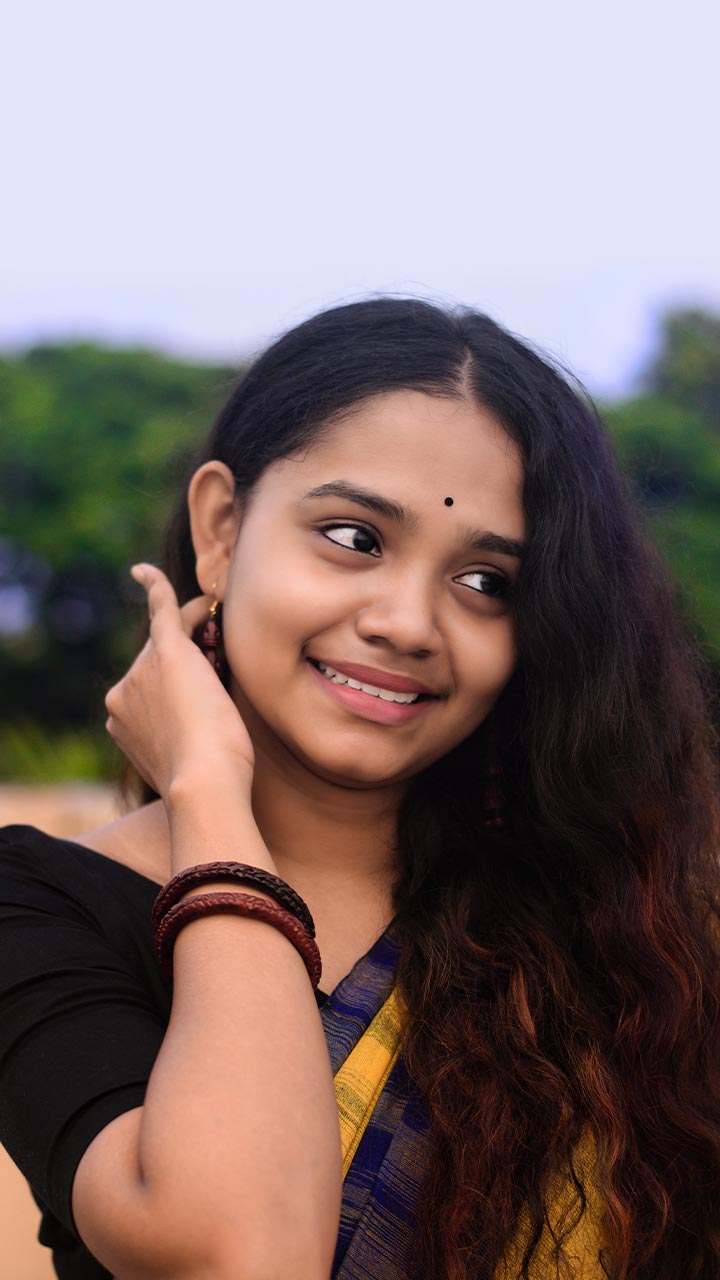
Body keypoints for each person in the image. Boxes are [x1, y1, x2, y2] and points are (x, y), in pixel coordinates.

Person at [0, 297, 719, 1280]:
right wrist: (208, 793)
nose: (408, 623)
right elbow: (242, 1255)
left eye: (486, 583)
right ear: (221, 529)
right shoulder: (38, 909)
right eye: (354, 536)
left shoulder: (640, 936)